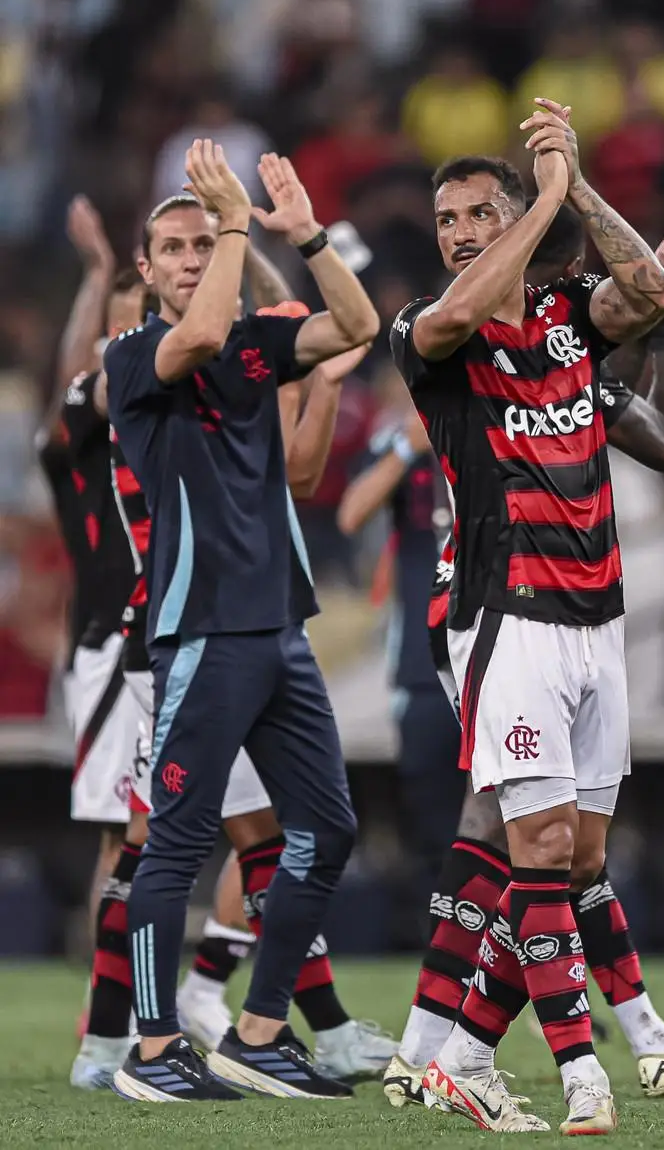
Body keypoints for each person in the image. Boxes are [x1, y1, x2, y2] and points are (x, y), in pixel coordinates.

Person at [385, 202, 664, 1111]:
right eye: (445, 218)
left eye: (479, 214)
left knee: (563, 855)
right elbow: (461, 317)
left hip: (593, 617)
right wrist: (540, 204)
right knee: (512, 834)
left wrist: (573, 188)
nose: (460, 230)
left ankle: (451, 1049)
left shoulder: (566, 342)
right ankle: (579, 1067)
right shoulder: (435, 332)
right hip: (495, 612)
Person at [71, 230, 396, 1090]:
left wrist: (312, 237)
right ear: (145, 271)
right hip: (201, 629)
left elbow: (357, 323)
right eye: (174, 247)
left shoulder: (255, 344)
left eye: (201, 243)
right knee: (172, 849)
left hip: (281, 627)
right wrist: (235, 232)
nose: (190, 257)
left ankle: (258, 1030)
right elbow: (203, 334)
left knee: (325, 832)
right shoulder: (134, 353)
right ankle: (150, 1050)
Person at [36, 198, 143, 932]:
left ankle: (185, 996)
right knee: (123, 826)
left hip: (180, 638)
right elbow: (72, 383)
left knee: (233, 821)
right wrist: (100, 271)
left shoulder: (175, 423)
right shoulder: (83, 434)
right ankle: (111, 1015)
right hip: (109, 641)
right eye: (123, 327)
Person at [337, 368, 463, 894]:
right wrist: (409, 447)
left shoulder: (495, 432)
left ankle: (511, 952)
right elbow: (351, 514)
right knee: (434, 831)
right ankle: (451, 958)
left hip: (498, 655)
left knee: (507, 823)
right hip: (423, 665)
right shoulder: (400, 452)